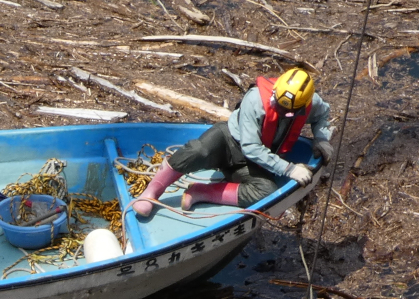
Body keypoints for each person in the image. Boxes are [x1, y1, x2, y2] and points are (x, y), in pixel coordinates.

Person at [132, 67, 334, 219]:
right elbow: (251, 147)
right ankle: (152, 192)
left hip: (253, 163)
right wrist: (289, 169)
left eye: (288, 112)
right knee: (197, 150)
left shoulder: (312, 102)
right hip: (229, 142)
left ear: (302, 106)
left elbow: (323, 114)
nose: (281, 112)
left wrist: (321, 138)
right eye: (277, 104)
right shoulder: (255, 100)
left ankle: (201, 192)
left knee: (267, 192)